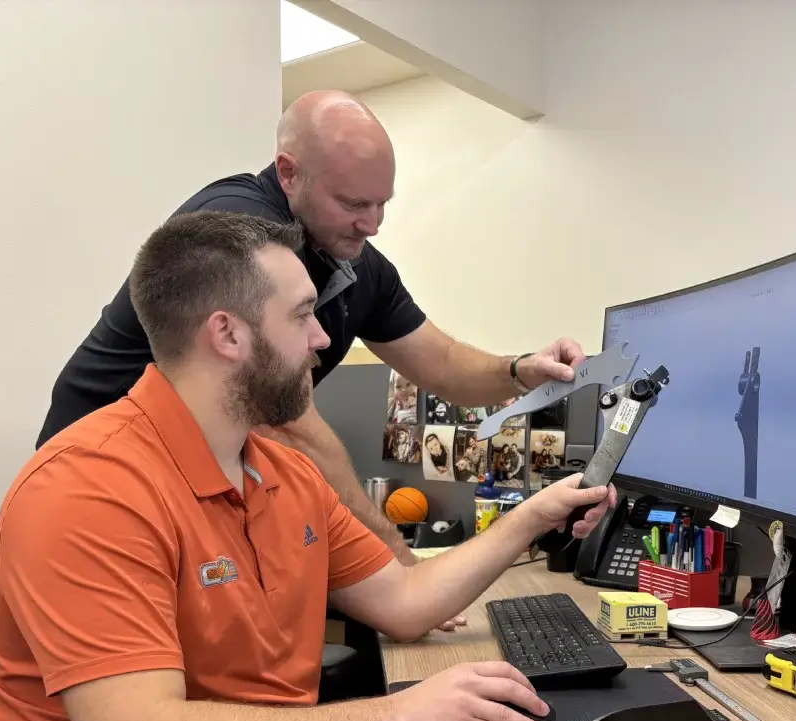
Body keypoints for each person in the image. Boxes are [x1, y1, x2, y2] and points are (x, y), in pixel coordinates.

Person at [0, 211, 615, 721]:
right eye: (303, 315)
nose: (323, 339)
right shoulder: (89, 488)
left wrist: (532, 517)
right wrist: (396, 716)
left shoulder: (279, 472)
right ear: (227, 334)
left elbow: (406, 602)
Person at [36, 89, 588, 568]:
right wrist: (395, 556)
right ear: (288, 173)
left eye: (382, 204)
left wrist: (521, 370)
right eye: (353, 203)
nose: (373, 224)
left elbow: (441, 363)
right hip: (103, 480)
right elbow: (290, 427)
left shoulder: (352, 259)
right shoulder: (237, 237)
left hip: (203, 488)